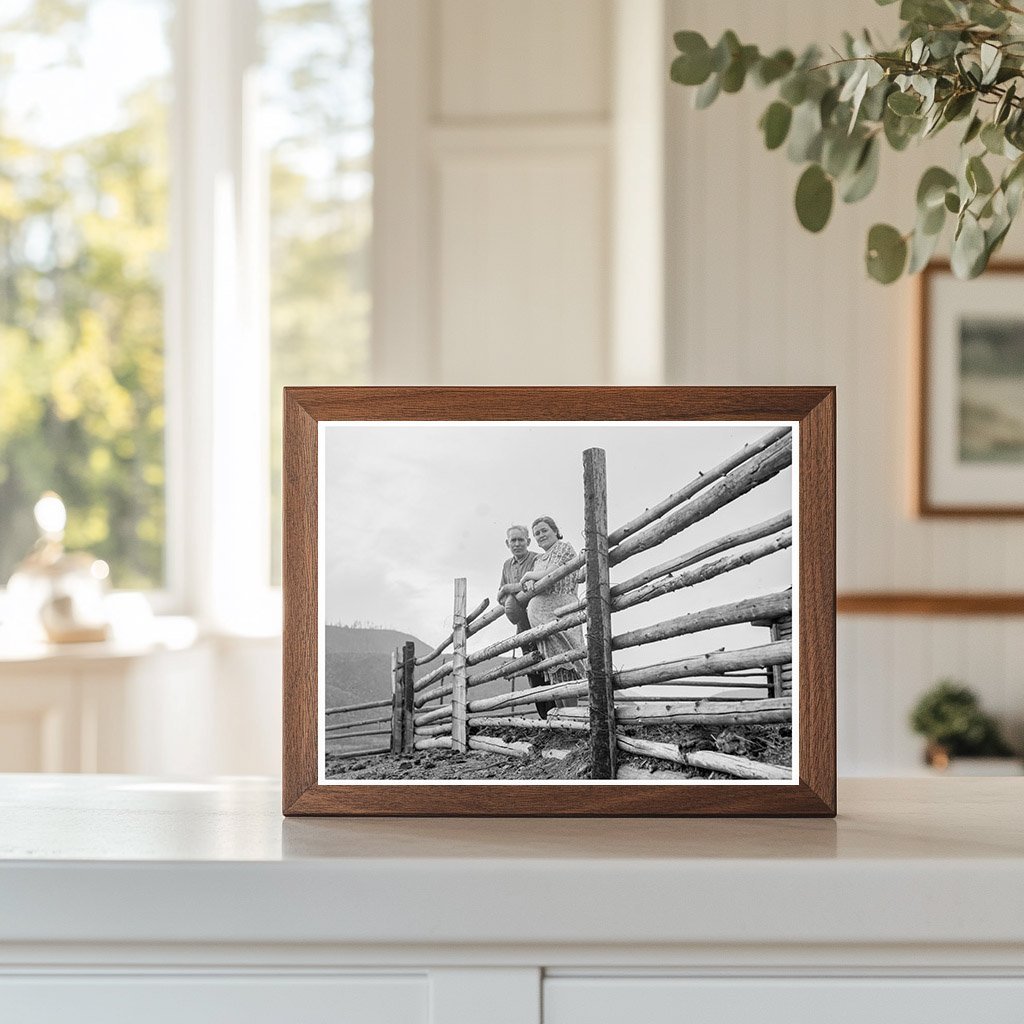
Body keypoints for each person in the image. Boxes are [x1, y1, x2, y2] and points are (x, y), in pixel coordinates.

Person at [518, 515, 585, 712]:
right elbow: (536, 584)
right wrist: (530, 581)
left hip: (562, 612)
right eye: (536, 533)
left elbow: (552, 574)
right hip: (542, 620)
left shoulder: (564, 548)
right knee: (553, 667)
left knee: (567, 663)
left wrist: (529, 576)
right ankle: (564, 716)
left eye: (544, 530)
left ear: (555, 531)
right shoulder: (539, 559)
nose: (540, 535)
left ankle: (573, 715)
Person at [496, 525, 552, 718]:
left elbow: (532, 586)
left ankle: (555, 713)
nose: (517, 544)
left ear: (528, 541)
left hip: (539, 617)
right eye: (513, 540)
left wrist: (508, 590)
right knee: (531, 667)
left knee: (547, 663)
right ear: (507, 543)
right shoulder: (507, 565)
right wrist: (509, 596)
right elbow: (500, 595)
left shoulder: (537, 559)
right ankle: (544, 717)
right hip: (522, 622)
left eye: (521, 540)